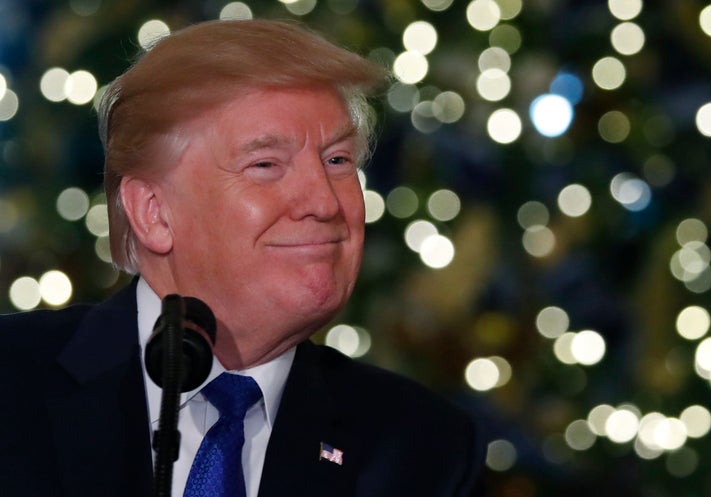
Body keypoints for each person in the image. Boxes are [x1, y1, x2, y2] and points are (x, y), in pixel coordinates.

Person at [0, 19, 484, 497]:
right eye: (266, 165)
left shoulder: (422, 448)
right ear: (154, 213)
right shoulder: (12, 382)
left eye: (337, 161)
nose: (325, 202)